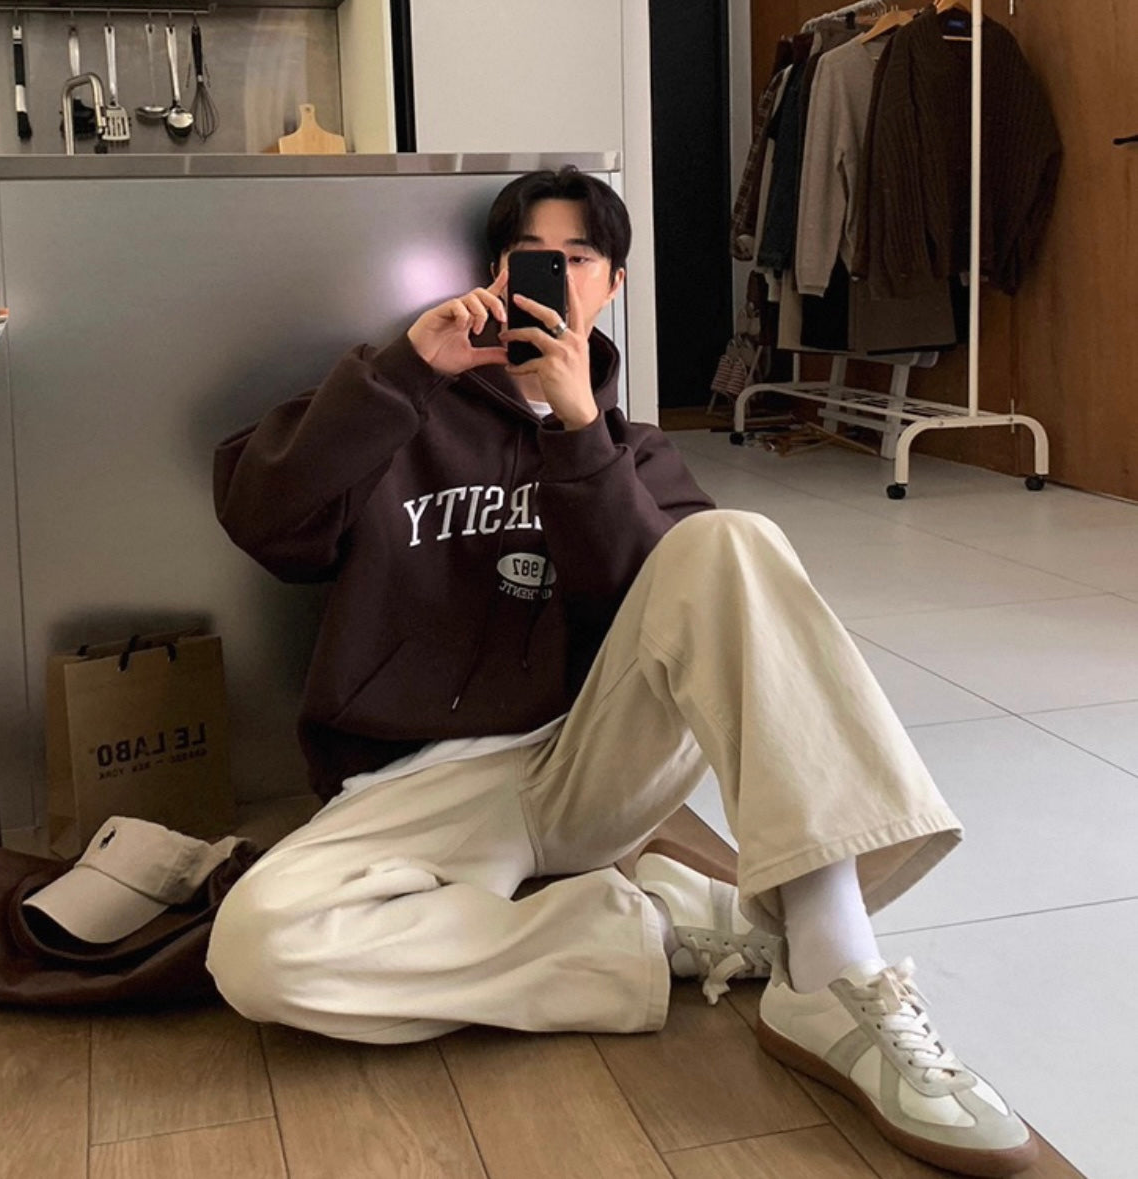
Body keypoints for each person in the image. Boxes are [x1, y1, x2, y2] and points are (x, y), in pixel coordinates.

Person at [208, 167, 1036, 1177]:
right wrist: (402, 371)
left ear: (613, 284)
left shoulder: (634, 452)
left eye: (578, 258)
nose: (553, 278)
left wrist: (579, 436)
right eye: (530, 259)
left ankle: (831, 967)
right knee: (259, 953)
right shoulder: (394, 406)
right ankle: (654, 930)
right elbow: (265, 523)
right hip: (415, 784)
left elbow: (641, 601)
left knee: (728, 542)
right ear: (493, 274)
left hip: (585, 761)